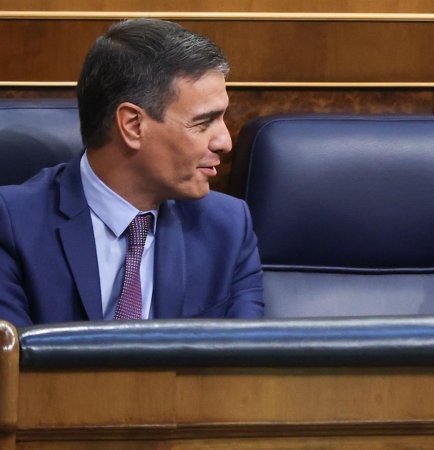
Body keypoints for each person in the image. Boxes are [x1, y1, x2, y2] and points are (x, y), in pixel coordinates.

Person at [0, 19, 264, 328]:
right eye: (203, 122)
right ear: (133, 125)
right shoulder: (12, 224)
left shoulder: (228, 228)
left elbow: (243, 366)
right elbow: (13, 370)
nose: (225, 142)